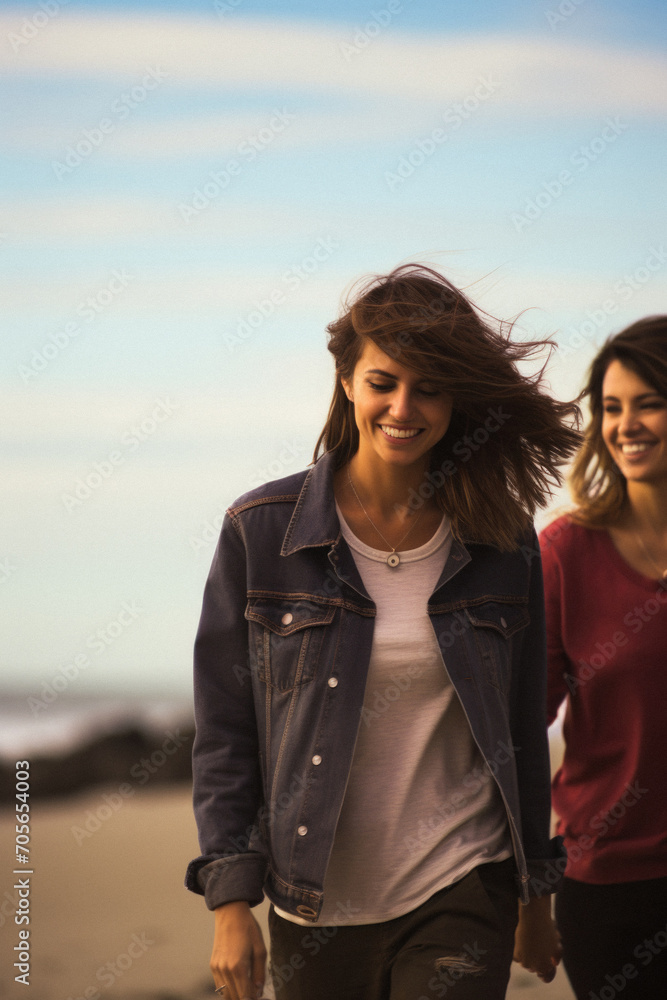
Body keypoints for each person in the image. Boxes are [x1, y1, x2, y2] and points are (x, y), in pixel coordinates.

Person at [185, 263, 580, 1000]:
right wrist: (229, 900)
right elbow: (226, 732)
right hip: (314, 899)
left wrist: (533, 895)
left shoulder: (502, 541)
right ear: (346, 381)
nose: (404, 407)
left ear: (456, 400)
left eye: (429, 388)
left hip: (463, 882)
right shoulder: (261, 533)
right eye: (384, 382)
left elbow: (520, 730)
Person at [531, 317, 667, 999]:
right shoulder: (563, 554)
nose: (626, 424)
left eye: (648, 402)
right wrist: (527, 891)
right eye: (611, 407)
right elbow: (519, 729)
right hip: (610, 889)